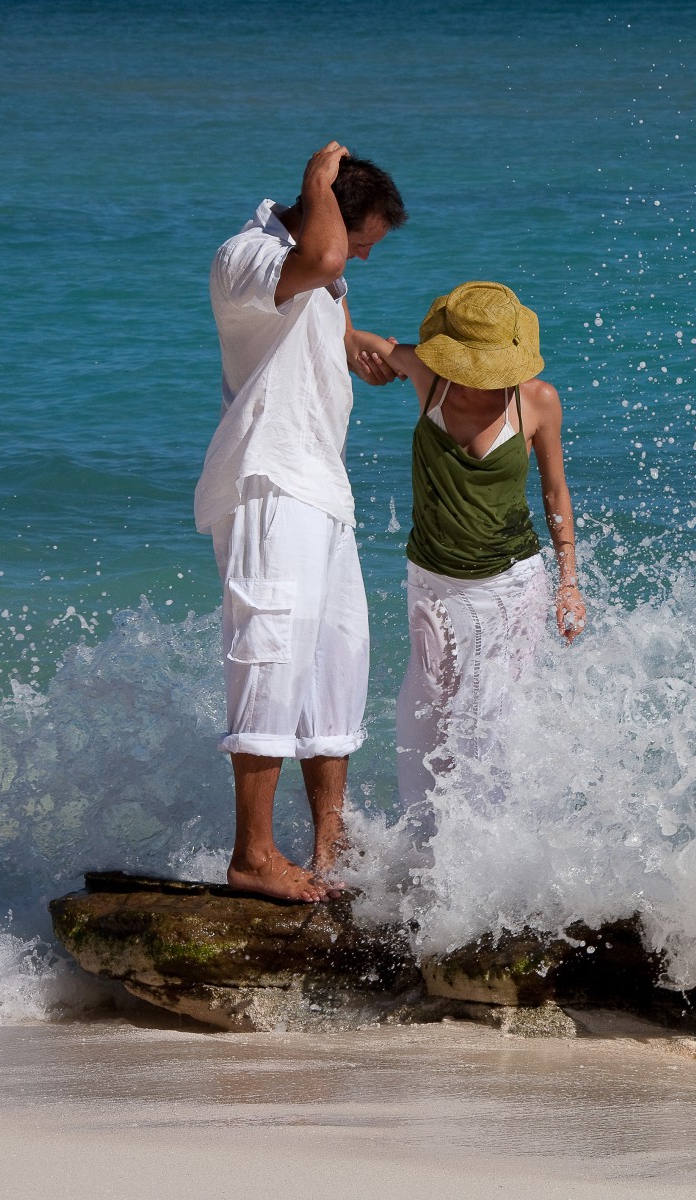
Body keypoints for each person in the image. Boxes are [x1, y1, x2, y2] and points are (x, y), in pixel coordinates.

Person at [195, 142, 407, 902]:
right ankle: (253, 854)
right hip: (268, 479)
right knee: (269, 656)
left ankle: (330, 844)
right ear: (323, 210)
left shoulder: (323, 272)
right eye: (363, 242)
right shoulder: (246, 256)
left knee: (335, 665)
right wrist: (319, 176)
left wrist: (403, 359)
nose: (363, 258)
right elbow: (317, 257)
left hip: (322, 488)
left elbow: (334, 310)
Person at [377, 282, 586, 820]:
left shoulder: (536, 399)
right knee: (424, 715)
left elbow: (555, 491)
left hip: (509, 582)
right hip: (431, 580)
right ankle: (424, 851)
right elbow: (361, 342)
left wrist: (569, 583)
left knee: (494, 721)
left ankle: (495, 858)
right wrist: (359, 346)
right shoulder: (428, 379)